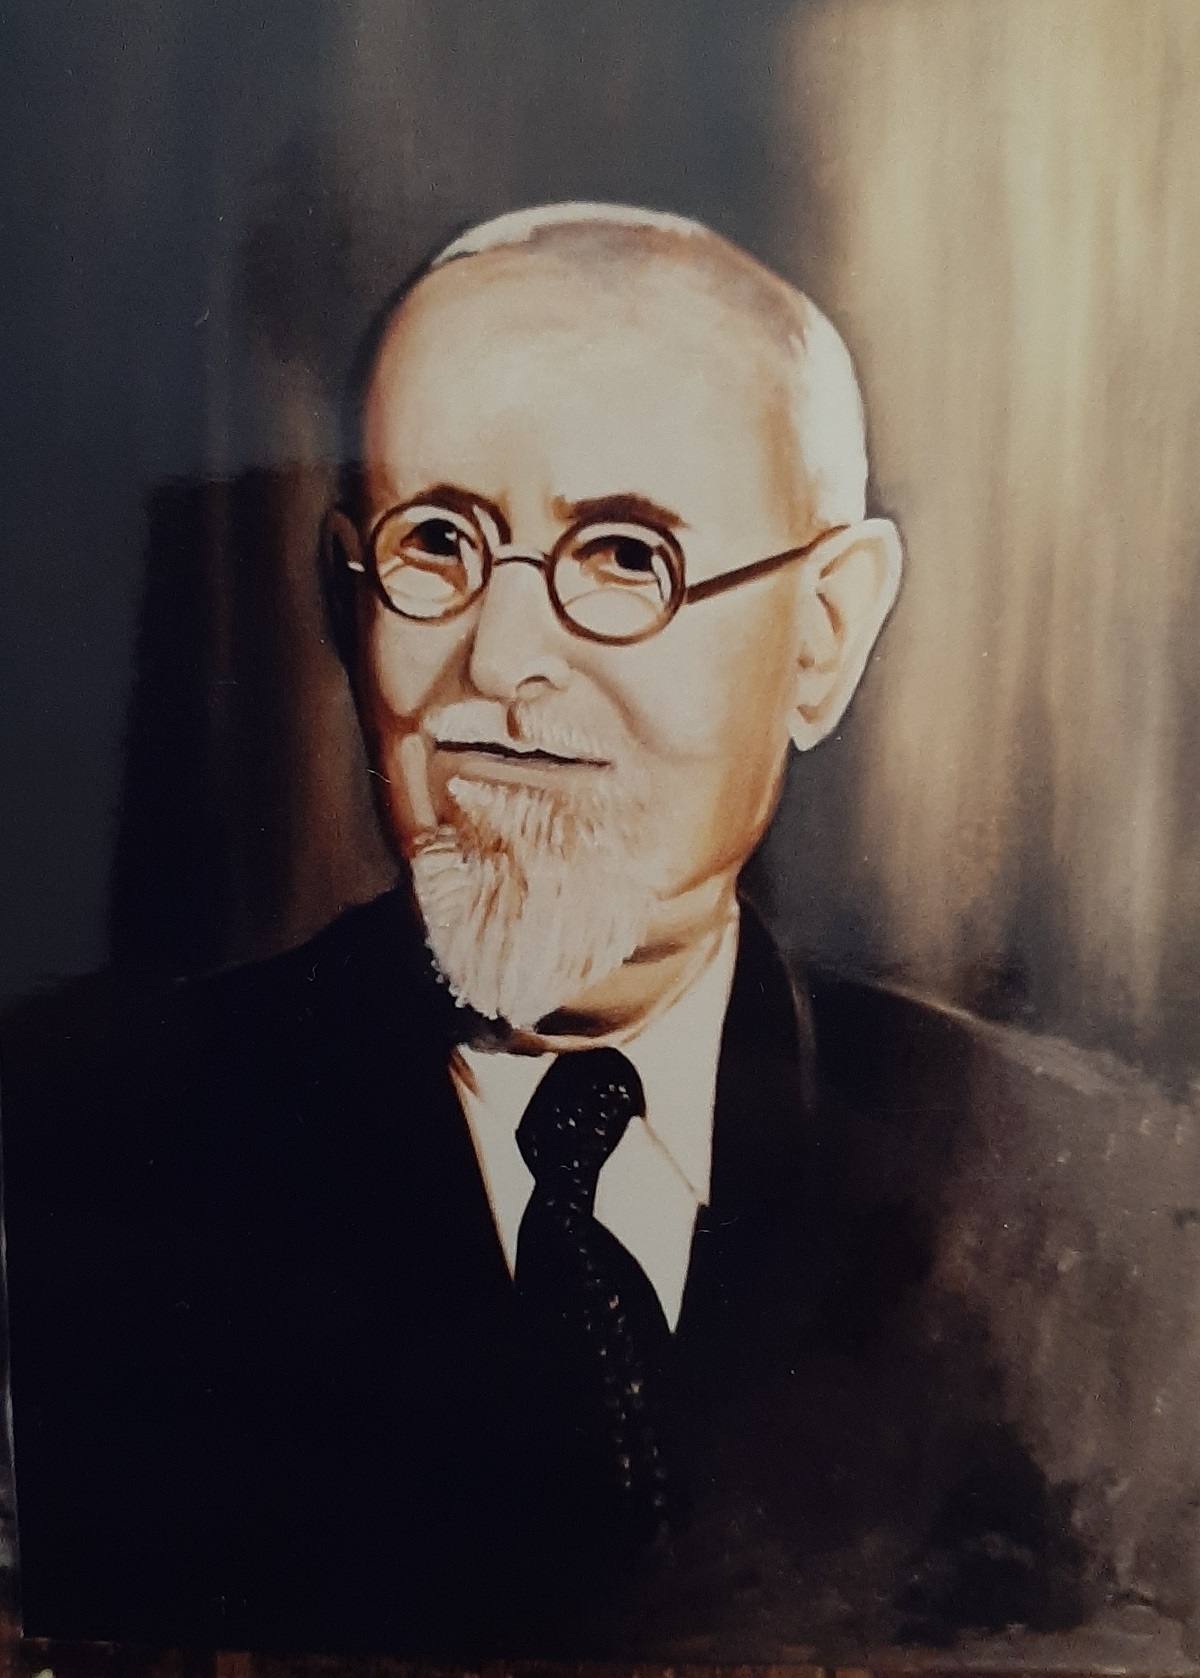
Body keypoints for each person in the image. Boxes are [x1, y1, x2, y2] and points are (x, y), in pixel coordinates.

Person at [0, 204, 1088, 1659]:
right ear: (346, 597)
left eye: (626, 555)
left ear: (825, 632)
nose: (501, 660)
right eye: (436, 543)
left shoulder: (1072, 1208)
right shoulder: (74, 1163)